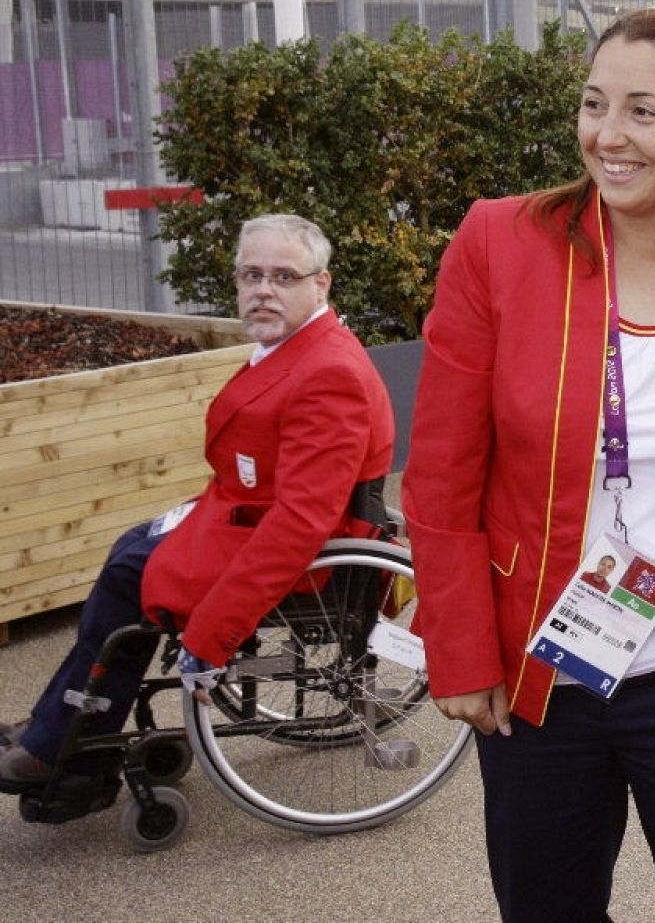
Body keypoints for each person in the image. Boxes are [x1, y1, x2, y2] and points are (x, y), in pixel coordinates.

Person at [402, 4, 655, 923]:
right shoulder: (501, 242)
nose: (608, 135)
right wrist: (459, 648)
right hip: (542, 662)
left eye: (643, 111)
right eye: (593, 103)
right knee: (545, 903)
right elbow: (441, 473)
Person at [0, 214, 395, 789]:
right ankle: (59, 722)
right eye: (251, 275)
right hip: (241, 512)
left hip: (302, 551)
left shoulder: (327, 372)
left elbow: (301, 521)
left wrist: (213, 635)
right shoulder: (294, 347)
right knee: (128, 551)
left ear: (321, 284)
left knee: (129, 577)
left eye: (283, 276)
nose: (263, 290)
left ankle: (68, 747)